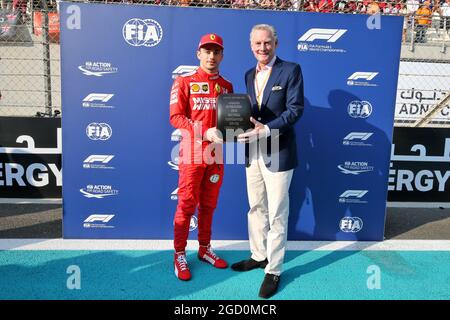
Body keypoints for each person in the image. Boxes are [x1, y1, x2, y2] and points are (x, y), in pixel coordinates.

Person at [232, 24, 304, 298]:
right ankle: (259, 255)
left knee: (277, 213)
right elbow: (250, 112)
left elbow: (295, 110)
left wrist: (267, 129)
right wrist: (235, 127)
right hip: (253, 152)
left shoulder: (291, 70)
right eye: (257, 44)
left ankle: (273, 269)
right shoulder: (249, 74)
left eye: (267, 43)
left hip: (279, 151)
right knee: (256, 207)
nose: (262, 48)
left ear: (276, 43)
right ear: (251, 46)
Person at [169, 33, 233, 281]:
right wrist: (203, 131)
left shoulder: (227, 85)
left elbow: (229, 122)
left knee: (209, 204)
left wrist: (232, 133)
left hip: (216, 153)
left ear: (222, 55)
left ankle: (205, 249)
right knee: (186, 203)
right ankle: (179, 253)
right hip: (193, 153)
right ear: (198, 54)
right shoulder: (184, 82)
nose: (211, 56)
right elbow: (176, 117)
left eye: (216, 51)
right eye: (207, 51)